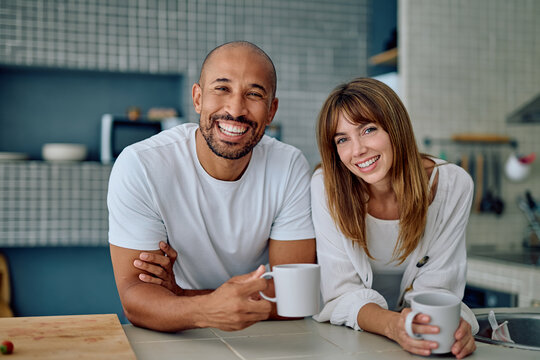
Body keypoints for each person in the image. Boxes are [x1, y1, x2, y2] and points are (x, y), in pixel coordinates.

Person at [108, 41, 316, 332]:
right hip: (182, 333)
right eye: (222, 88)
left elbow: (294, 300)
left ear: (271, 111)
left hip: (255, 332)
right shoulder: (141, 165)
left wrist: (182, 297)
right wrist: (205, 310)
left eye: (254, 94)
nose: (235, 109)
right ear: (197, 98)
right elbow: (135, 300)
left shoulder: (290, 166)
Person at [311, 77, 478, 358]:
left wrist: (452, 327)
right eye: (342, 139)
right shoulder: (326, 187)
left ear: (396, 128)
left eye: (368, 129)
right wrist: (394, 326)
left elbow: (439, 287)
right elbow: (341, 293)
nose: (357, 150)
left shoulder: (451, 185)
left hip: (417, 338)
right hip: (344, 340)